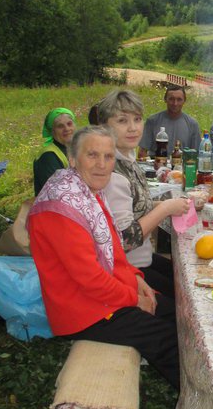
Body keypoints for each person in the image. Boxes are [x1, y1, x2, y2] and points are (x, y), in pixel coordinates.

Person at [28, 126, 180, 389]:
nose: (101, 165)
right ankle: (199, 403)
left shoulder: (86, 192)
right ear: (73, 159)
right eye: (92, 155)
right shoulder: (62, 208)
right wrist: (134, 299)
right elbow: (90, 280)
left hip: (101, 296)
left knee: (176, 314)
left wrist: (136, 279)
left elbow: (113, 250)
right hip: (83, 312)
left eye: (108, 157)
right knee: (168, 338)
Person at [97, 90, 190, 297]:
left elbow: (136, 208)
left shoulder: (127, 160)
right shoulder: (111, 172)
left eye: (137, 119)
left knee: (186, 278)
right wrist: (166, 208)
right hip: (126, 269)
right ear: (104, 126)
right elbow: (126, 240)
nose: (132, 128)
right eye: (122, 120)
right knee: (183, 298)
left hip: (142, 257)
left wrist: (174, 206)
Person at [138, 86, 201, 158]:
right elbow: (142, 152)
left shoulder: (192, 124)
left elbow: (196, 154)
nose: (175, 103)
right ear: (165, 99)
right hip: (156, 166)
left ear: (184, 101)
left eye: (179, 99)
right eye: (171, 99)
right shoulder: (152, 121)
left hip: (181, 167)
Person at [33, 107, 76, 195]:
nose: (67, 129)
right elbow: (57, 192)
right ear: (52, 131)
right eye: (60, 126)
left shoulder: (77, 147)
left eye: (69, 124)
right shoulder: (48, 156)